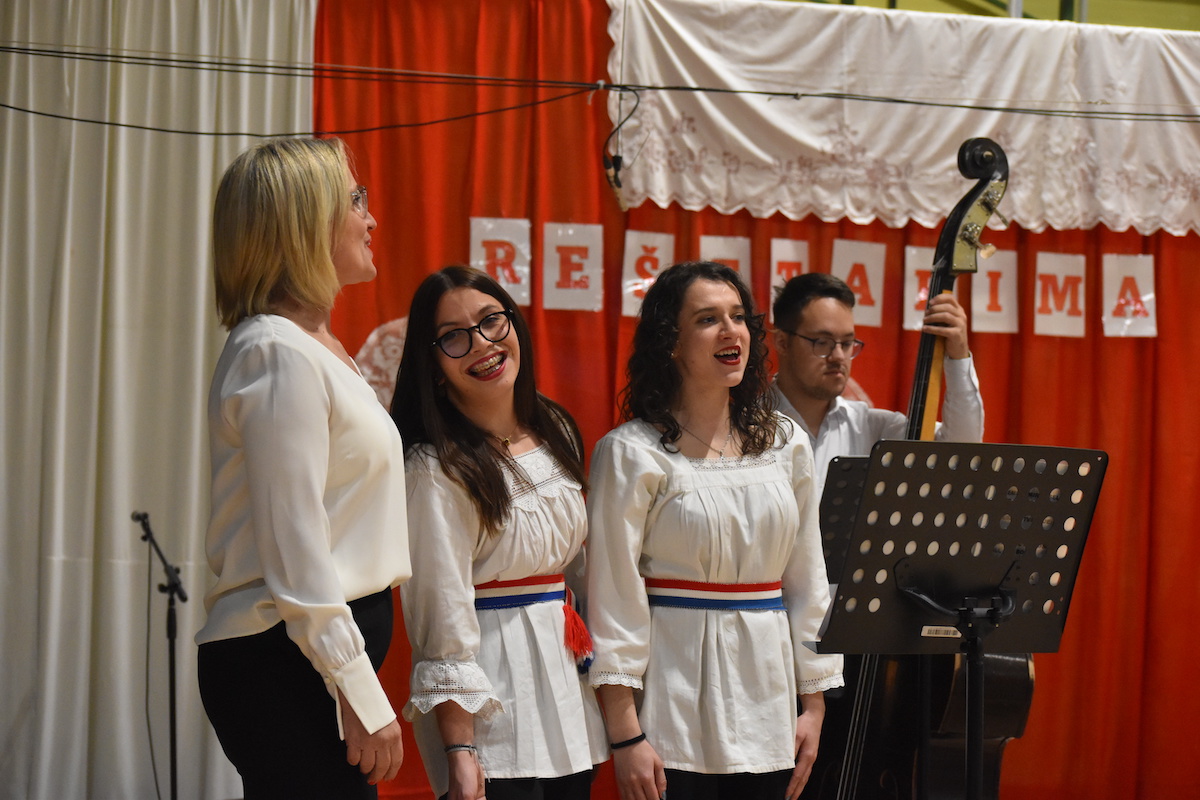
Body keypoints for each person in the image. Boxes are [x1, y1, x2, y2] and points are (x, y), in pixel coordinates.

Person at [195, 137, 409, 799]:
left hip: (301, 659)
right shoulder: (276, 351)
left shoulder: (309, 346)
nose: (371, 219)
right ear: (303, 223)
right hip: (287, 663)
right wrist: (357, 689)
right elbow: (295, 543)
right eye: (355, 201)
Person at [585, 261, 844, 800]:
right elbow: (613, 601)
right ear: (671, 343)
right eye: (708, 319)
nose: (731, 331)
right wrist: (626, 734)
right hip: (672, 710)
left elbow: (807, 580)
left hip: (771, 707)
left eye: (738, 317)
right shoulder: (631, 452)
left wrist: (814, 705)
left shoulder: (786, 443)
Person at [392, 265, 608, 800]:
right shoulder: (433, 466)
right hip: (492, 708)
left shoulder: (555, 427)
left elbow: (578, 569)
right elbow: (440, 614)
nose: (483, 345)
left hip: (567, 693)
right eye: (454, 337)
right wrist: (460, 750)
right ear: (433, 364)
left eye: (491, 321)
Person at [771, 272, 984, 491]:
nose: (839, 356)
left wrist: (958, 355)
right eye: (822, 342)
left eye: (847, 343)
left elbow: (960, 454)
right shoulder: (751, 423)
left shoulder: (873, 429)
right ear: (782, 343)